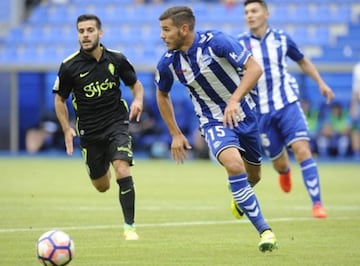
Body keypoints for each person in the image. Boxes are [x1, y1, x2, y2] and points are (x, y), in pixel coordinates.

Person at [155, 6, 277, 252]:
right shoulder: (168, 62)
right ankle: (265, 232)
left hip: (245, 114)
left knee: (254, 177)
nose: (162, 35)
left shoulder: (217, 42)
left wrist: (234, 100)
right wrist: (175, 133)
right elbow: (162, 94)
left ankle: (239, 194)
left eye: (166, 30)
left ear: (184, 29)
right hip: (213, 121)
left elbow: (254, 69)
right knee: (234, 165)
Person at [237, 0, 335, 218]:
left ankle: (317, 204)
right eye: (246, 12)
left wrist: (321, 82)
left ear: (266, 14)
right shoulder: (239, 44)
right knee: (279, 163)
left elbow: (302, 61)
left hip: (287, 104)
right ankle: (285, 171)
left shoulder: (281, 39)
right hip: (260, 112)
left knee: (302, 149)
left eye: (254, 11)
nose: (250, 15)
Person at [52, 14, 144, 240]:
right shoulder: (69, 66)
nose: (85, 35)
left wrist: (139, 100)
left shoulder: (117, 59)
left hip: (116, 123)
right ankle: (103, 165)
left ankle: (129, 228)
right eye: (81, 31)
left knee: (122, 168)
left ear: (100, 33)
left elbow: (135, 84)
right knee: (102, 186)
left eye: (90, 30)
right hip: (90, 133)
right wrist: (66, 129)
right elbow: (59, 99)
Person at [350, 62, 360, 160]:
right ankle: (357, 154)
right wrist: (353, 106)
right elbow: (356, 90)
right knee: (356, 129)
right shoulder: (358, 68)